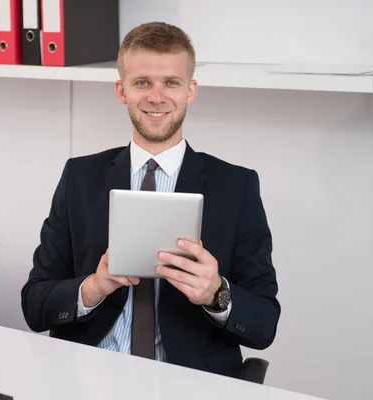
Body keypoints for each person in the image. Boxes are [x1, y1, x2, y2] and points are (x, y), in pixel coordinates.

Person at [21, 21, 280, 379]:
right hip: (88, 376)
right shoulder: (79, 178)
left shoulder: (236, 186)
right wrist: (93, 287)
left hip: (188, 382)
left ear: (190, 90)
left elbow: (265, 324)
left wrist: (215, 293)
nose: (156, 97)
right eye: (142, 82)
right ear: (121, 90)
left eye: (171, 83)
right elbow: (34, 306)